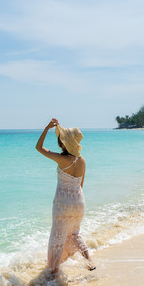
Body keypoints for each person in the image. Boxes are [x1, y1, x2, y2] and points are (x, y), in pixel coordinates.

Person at [35, 118, 96, 275]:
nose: (59, 142)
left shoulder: (62, 159)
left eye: (61, 140)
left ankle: (53, 271)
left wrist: (47, 127)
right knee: (75, 234)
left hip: (63, 204)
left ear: (65, 143)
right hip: (79, 202)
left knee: (57, 236)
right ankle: (89, 261)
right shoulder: (82, 161)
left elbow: (39, 147)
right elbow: (80, 185)